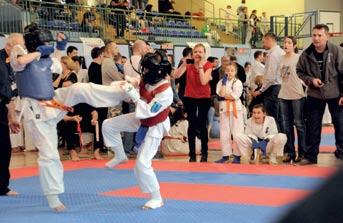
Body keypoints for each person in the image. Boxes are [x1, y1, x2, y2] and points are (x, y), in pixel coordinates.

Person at [9, 26, 128, 211]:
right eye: (45, 43)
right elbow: (20, 62)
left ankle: (120, 92)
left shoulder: (45, 57)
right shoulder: (20, 52)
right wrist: (39, 53)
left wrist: (59, 47)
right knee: (49, 155)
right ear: (34, 44)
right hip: (35, 109)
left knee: (79, 88)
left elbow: (56, 64)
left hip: (53, 99)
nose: (47, 46)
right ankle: (53, 198)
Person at [102, 50, 173, 209]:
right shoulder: (146, 78)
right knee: (108, 125)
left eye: (147, 69)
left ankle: (157, 198)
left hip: (155, 125)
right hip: (142, 119)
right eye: (144, 68)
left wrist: (133, 95)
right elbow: (134, 81)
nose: (144, 71)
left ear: (157, 72)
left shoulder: (165, 91)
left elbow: (148, 110)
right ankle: (120, 155)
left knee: (142, 163)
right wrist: (123, 83)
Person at [296, 24, 343, 165]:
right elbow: (299, 71)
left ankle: (341, 153)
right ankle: (311, 156)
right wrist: (311, 80)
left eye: (320, 35)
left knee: (340, 125)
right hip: (315, 95)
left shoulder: (337, 51)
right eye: (314, 35)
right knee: (313, 126)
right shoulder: (306, 54)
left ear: (327, 36)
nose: (316, 38)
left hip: (335, 94)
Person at [173, 43, 213, 162]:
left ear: (204, 54)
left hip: (204, 97)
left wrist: (200, 66)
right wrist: (183, 64)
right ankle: (192, 154)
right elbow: (175, 75)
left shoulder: (208, 65)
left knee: (202, 124)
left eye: (200, 52)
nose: (197, 54)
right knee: (191, 124)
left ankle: (204, 153)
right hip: (190, 96)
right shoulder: (189, 64)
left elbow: (204, 81)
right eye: (195, 52)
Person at [278, 36, 306, 163]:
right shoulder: (281, 58)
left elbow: (305, 75)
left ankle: (302, 153)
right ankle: (290, 152)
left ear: (294, 45)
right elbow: (282, 76)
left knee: (299, 124)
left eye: (289, 43)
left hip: (297, 95)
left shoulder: (299, 58)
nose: (286, 44)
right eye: (284, 42)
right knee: (286, 125)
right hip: (284, 94)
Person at [0, 34, 20, 196]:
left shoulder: (11, 64)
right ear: (10, 46)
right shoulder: (1, 63)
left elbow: (11, 93)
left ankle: (2, 186)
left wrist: (11, 116)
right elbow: (6, 92)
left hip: (2, 109)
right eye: (19, 48)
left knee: (4, 148)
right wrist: (12, 117)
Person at [251, 32, 285, 127]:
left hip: (273, 89)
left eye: (263, 42)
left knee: (272, 118)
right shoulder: (281, 52)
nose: (263, 45)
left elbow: (270, 78)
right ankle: (283, 140)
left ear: (269, 40)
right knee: (280, 117)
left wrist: (260, 90)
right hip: (280, 87)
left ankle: (276, 139)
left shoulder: (273, 55)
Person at [214, 62, 244, 163]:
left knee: (237, 132)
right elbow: (221, 94)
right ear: (224, 72)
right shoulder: (221, 82)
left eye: (232, 71)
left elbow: (235, 96)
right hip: (224, 108)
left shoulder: (238, 82)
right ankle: (225, 155)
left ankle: (237, 155)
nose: (229, 73)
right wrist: (224, 84)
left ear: (235, 72)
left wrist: (225, 95)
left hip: (236, 109)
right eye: (227, 70)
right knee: (224, 132)